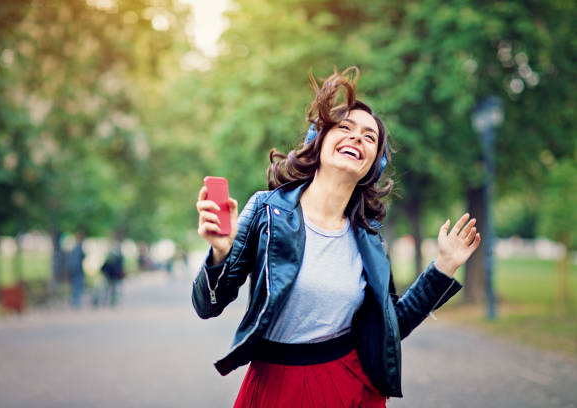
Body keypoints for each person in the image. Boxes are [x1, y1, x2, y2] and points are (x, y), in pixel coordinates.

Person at [193, 67, 481, 407]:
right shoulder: (265, 211)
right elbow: (207, 306)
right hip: (273, 387)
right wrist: (220, 254)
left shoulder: (369, 240)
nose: (357, 138)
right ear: (320, 141)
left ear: (373, 163)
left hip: (348, 386)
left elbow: (390, 327)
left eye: (369, 137)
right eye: (345, 128)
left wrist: (443, 267)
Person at [66, 231, 86, 309]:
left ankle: (75, 302)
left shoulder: (73, 249)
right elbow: (83, 256)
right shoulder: (78, 248)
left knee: (75, 286)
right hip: (77, 271)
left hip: (74, 271)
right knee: (77, 286)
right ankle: (76, 303)